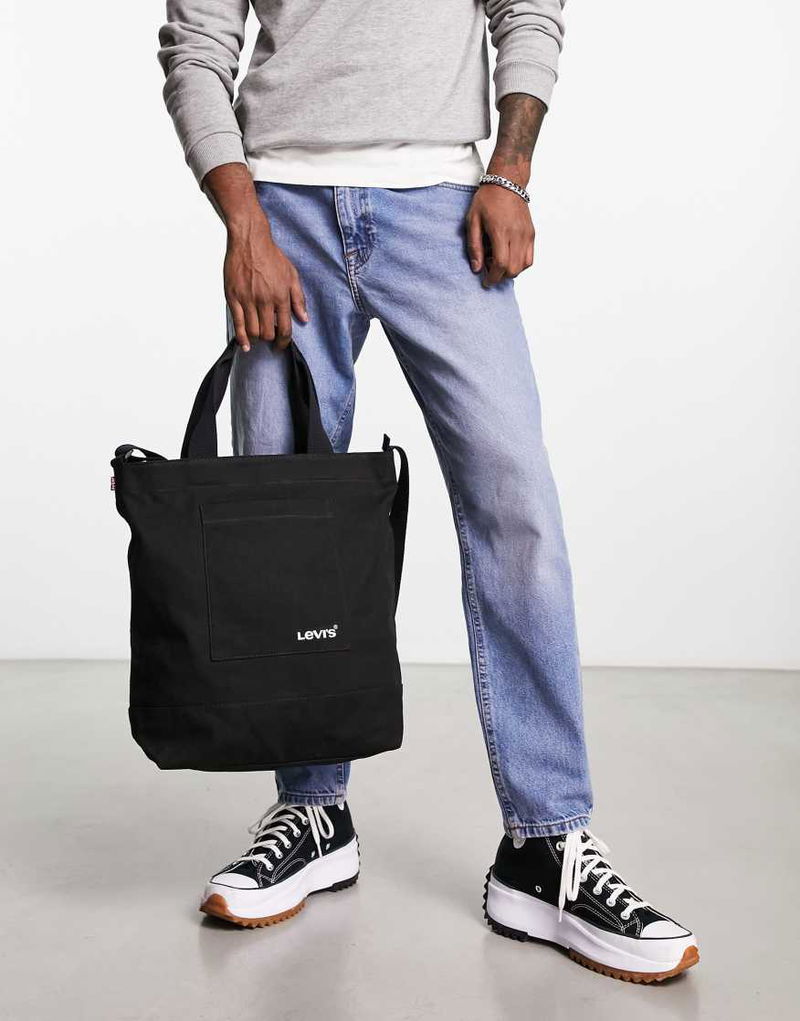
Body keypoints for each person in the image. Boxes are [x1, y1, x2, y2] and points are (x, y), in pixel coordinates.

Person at [158, 0, 698, 982]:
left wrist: (509, 171)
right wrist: (243, 222)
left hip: (444, 206)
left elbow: (527, 9)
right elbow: (197, 44)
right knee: (284, 523)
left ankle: (544, 842)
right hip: (280, 210)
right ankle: (311, 810)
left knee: (516, 509)